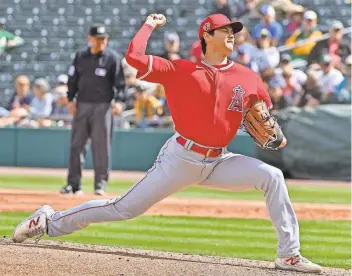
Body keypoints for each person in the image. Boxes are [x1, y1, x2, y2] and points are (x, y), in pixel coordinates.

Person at [12, 13, 322, 274]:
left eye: (233, 31)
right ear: (207, 35)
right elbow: (134, 57)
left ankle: (288, 254)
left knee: (272, 176)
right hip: (180, 158)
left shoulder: (247, 76)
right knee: (122, 209)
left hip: (219, 161)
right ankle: (48, 221)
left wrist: (275, 132)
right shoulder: (181, 70)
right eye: (225, 30)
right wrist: (148, 26)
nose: (231, 35)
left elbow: (264, 112)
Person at [59, 23, 126, 196]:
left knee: (101, 147)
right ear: (90, 39)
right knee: (76, 146)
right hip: (82, 105)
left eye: (103, 39)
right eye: (98, 39)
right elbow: (72, 80)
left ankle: (100, 184)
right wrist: (70, 100)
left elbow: (120, 84)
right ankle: (73, 185)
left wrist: (119, 101)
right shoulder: (80, 56)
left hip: (103, 107)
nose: (101, 42)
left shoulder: (112, 58)